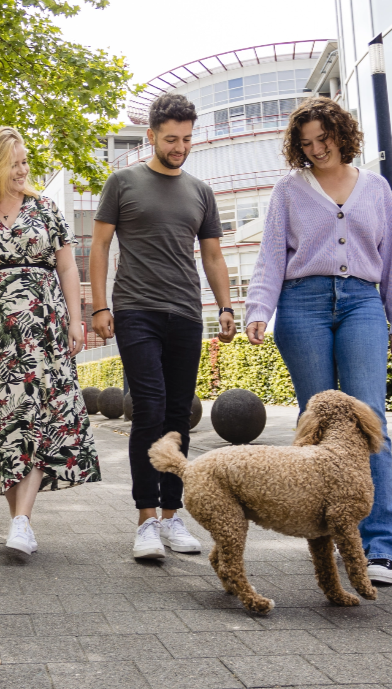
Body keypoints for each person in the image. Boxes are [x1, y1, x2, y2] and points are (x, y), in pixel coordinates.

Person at [246, 97, 392, 586]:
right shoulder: (288, 190)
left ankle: (380, 546)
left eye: (323, 141)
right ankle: (329, 535)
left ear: (341, 135)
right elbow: (269, 255)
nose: (315, 150)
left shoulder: (375, 187)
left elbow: (388, 259)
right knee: (321, 426)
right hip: (301, 304)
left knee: (370, 418)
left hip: (361, 302)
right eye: (305, 144)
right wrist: (258, 310)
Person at [0, 126, 100, 555]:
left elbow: (67, 268)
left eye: (25, 161)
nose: (23, 168)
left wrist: (76, 320)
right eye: (14, 162)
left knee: (38, 418)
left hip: (43, 331)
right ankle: (19, 522)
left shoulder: (45, 209)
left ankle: (22, 521)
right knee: (5, 424)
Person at [90, 93, 236, 561]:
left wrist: (226, 306)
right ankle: (146, 522)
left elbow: (212, 255)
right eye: (171, 139)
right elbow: (99, 248)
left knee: (178, 414)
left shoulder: (200, 191)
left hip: (186, 314)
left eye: (187, 139)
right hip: (136, 310)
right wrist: (99, 307)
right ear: (151, 135)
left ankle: (173, 518)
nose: (180, 147)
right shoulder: (123, 182)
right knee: (149, 409)